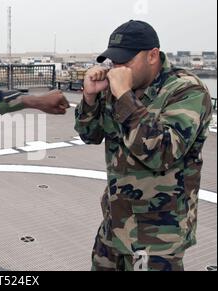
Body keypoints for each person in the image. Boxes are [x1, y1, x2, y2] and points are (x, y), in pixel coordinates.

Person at [75, 20, 213, 271]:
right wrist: (90, 97)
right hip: (115, 225)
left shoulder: (186, 91)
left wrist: (125, 97)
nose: (117, 68)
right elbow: (89, 135)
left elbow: (162, 153)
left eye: (125, 61)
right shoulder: (115, 88)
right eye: (114, 61)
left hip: (157, 236)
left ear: (152, 56)